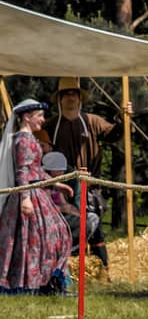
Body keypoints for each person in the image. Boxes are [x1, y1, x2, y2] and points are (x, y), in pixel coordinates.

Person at [36, 77, 116, 270]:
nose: (70, 98)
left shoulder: (93, 121)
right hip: (58, 186)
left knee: (94, 226)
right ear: (60, 98)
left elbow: (114, 135)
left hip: (89, 185)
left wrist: (124, 119)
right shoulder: (50, 125)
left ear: (80, 98)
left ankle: (101, 271)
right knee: (63, 224)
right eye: (66, 94)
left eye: (74, 94)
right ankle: (62, 267)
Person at [0, 98, 74, 294]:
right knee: (35, 240)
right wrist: (25, 198)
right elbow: (22, 171)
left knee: (55, 234)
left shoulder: (29, 138)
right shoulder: (23, 140)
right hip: (28, 195)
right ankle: (32, 284)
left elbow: (35, 170)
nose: (42, 120)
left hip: (36, 192)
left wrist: (56, 183)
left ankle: (46, 280)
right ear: (26, 117)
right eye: (39, 116)